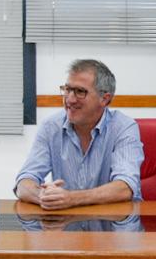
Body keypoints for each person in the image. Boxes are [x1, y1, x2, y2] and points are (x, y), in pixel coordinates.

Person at [15, 59, 143, 209]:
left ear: (104, 99)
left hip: (114, 220)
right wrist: (44, 196)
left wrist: (71, 198)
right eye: (67, 90)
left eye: (80, 92)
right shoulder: (51, 127)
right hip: (66, 221)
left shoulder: (123, 127)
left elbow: (125, 187)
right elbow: (24, 182)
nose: (69, 99)